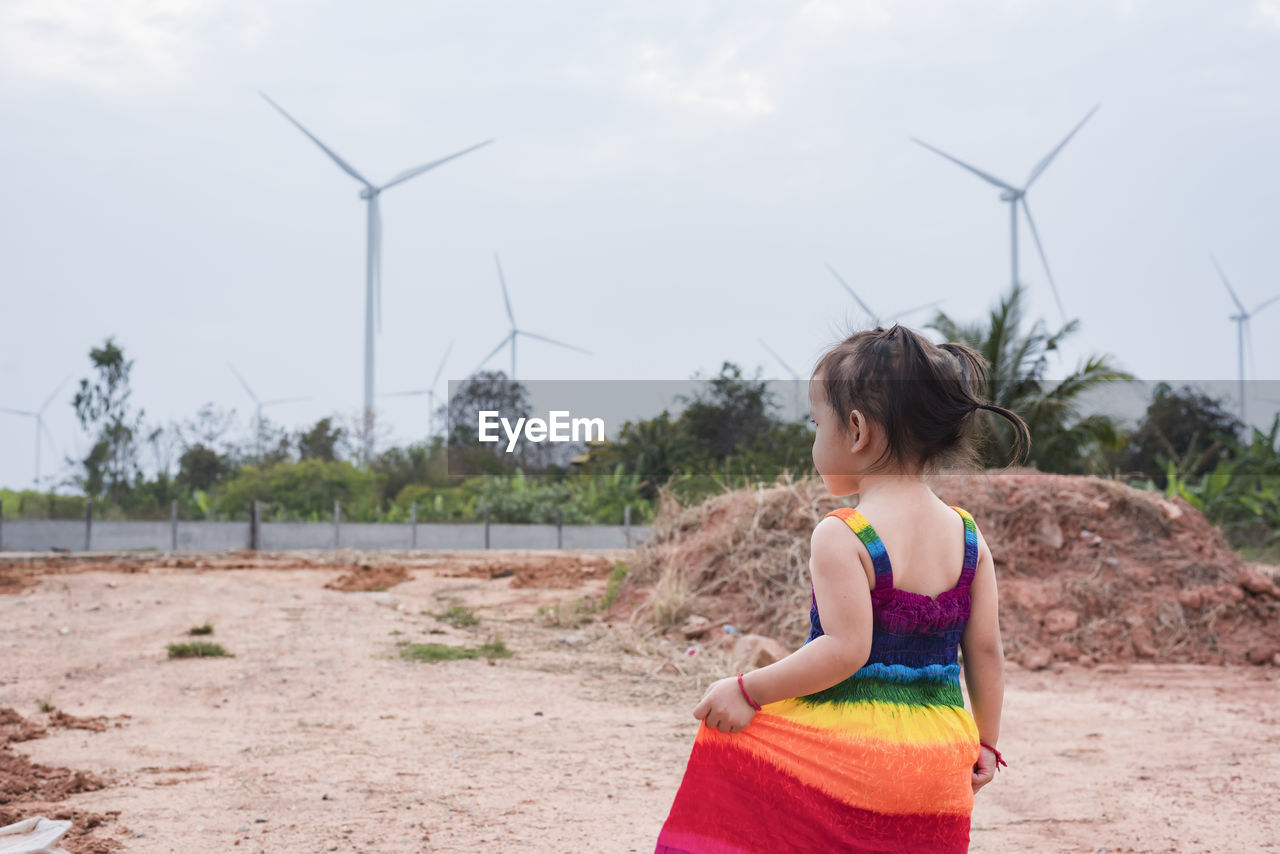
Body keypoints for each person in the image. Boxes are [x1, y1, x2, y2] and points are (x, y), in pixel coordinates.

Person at [653, 323, 1029, 854]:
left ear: (856, 431)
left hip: (857, 756)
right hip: (943, 757)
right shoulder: (968, 536)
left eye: (815, 422)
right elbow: (986, 652)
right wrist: (986, 742)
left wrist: (745, 689)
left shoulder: (844, 533)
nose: (813, 438)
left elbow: (845, 651)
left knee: (736, 773)